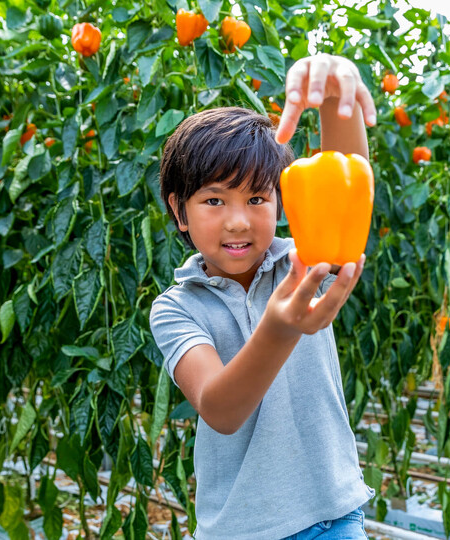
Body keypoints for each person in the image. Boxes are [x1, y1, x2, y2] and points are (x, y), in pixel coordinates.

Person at [149, 53, 378, 540]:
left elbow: (346, 182)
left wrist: (337, 99)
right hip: (241, 529)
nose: (238, 220)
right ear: (179, 210)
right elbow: (220, 410)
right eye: (214, 200)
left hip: (334, 515)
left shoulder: (299, 261)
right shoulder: (177, 307)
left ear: (282, 202)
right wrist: (280, 330)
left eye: (257, 199)